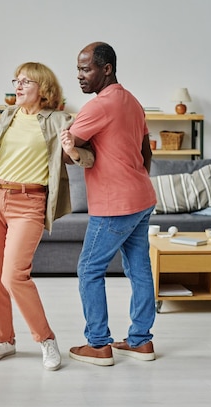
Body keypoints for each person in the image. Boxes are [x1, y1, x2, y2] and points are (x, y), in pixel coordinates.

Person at [0, 62, 94, 371]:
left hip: (29, 202)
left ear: (43, 89)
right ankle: (4, 339)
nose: (17, 86)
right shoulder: (8, 115)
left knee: (14, 275)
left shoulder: (59, 120)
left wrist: (71, 150)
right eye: (16, 80)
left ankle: (46, 339)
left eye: (26, 82)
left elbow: (86, 157)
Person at [61, 42, 158, 366]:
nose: (79, 76)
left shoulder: (99, 106)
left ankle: (99, 344)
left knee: (89, 269)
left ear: (106, 69)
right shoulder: (132, 101)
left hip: (115, 204)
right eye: (78, 69)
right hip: (142, 198)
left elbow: (65, 151)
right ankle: (141, 341)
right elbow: (147, 154)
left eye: (86, 69)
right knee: (139, 269)